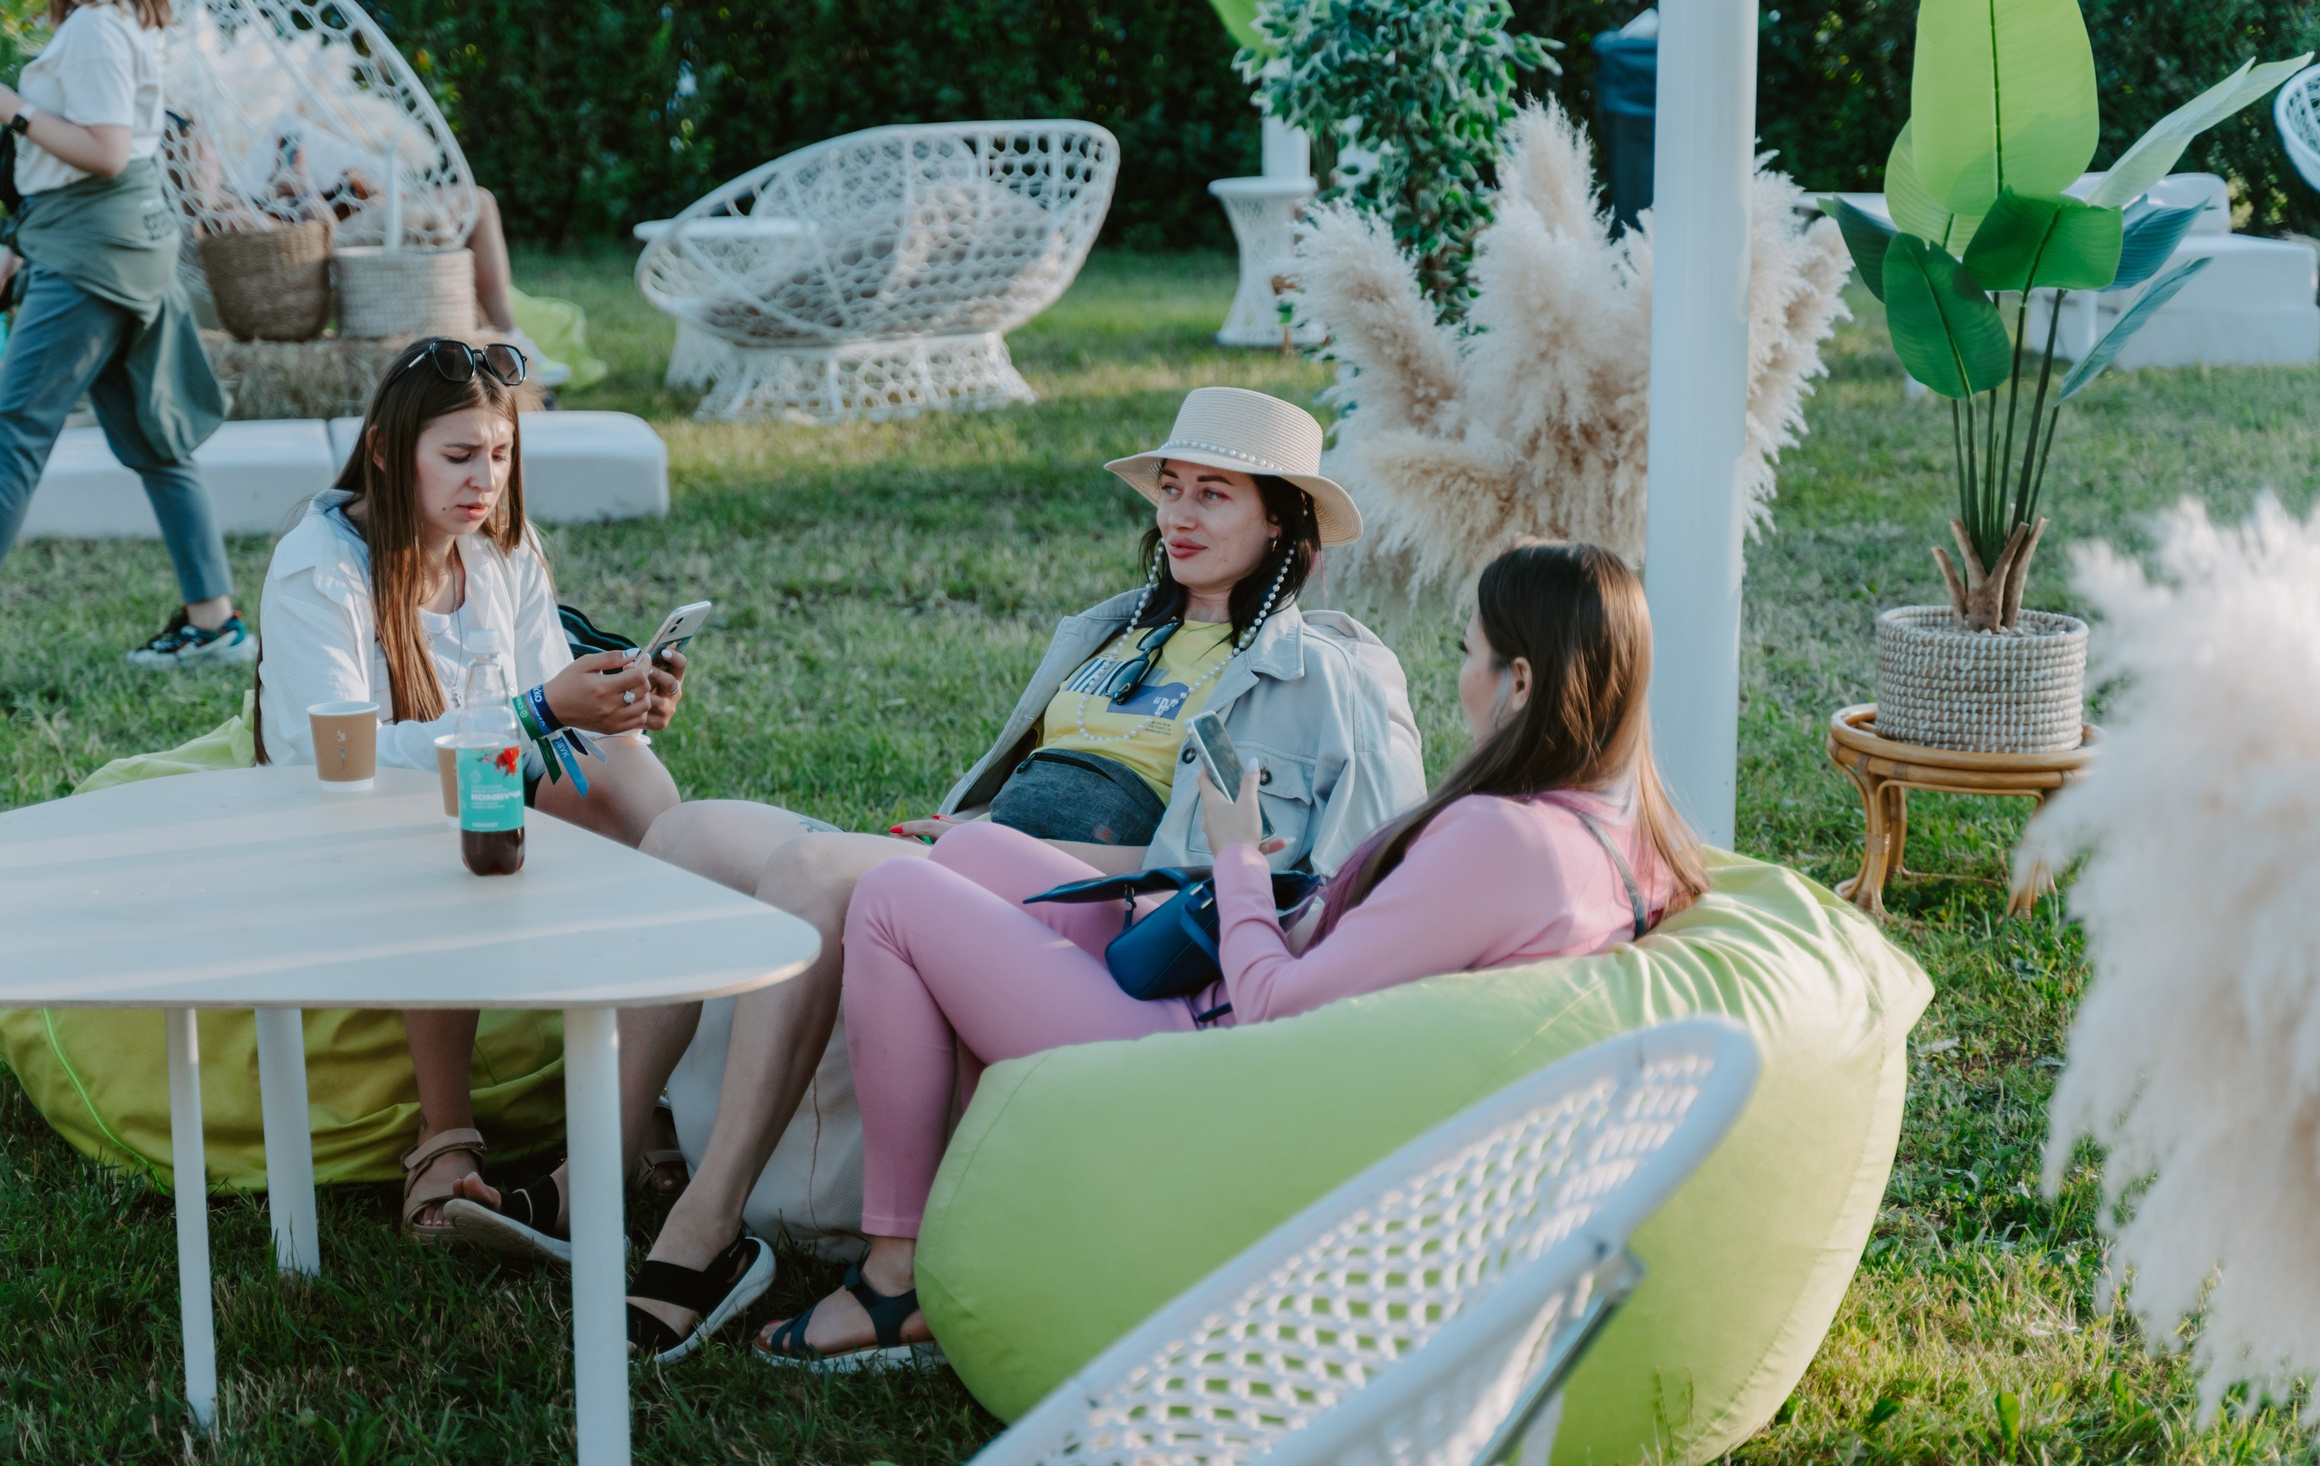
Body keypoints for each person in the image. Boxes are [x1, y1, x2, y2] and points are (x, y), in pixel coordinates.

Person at [525, 386, 1427, 1363]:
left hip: (1091, 905)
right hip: (979, 854)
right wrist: (976, 828)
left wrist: (1007, 853)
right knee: (690, 835)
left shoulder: (1312, 673)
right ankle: (598, 1173)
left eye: (1215, 495)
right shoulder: (1117, 631)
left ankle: (704, 1232)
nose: (1177, 515)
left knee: (819, 872)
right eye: (1171, 489)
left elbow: (1273, 869)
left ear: (1282, 524)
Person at [757, 540, 1710, 1368]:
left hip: (1199, 1061)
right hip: (1216, 996)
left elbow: (1278, 1013)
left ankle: (895, 1278)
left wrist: (1235, 854)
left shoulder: (1504, 841)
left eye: (1468, 653)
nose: (1457, 675)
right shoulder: (1627, 842)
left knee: (889, 895)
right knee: (966, 851)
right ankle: (998, 1221)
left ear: (1522, 682)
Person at [253, 335, 689, 1250]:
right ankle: (444, 1140)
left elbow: (548, 718)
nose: (482, 480)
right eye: (457, 456)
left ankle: (649, 1096)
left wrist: (617, 704)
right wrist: (538, 710)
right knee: (445, 821)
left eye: (498, 455)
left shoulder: (500, 550)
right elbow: (332, 764)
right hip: (354, 815)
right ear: (384, 448)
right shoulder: (319, 567)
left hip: (484, 784)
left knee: (624, 780)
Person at [0, 0, 248, 685]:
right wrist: (25, 244)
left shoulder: (93, 27)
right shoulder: (117, 23)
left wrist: (10, 106)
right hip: (107, 240)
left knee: (13, 433)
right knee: (155, 442)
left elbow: (108, 150)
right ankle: (213, 622)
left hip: (94, 251)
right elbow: (105, 156)